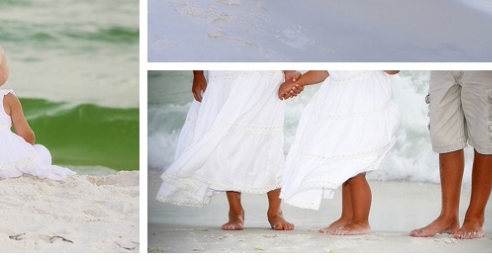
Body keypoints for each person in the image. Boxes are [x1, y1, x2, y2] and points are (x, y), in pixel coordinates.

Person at [156, 70, 299, 232]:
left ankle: (275, 211)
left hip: (264, 74)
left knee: (267, 137)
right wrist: (197, 74)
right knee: (225, 138)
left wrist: (289, 71)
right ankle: (235, 210)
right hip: (224, 75)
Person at [278, 70, 400, 235]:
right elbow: (326, 69)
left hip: (364, 105)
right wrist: (299, 82)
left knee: (356, 169)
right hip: (339, 104)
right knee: (345, 165)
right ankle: (347, 216)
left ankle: (360, 221)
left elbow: (394, 68)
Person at [410, 70, 492, 240]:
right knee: (445, 137)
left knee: (485, 137)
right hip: (443, 59)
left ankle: (474, 217)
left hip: (484, 61)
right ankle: (448, 217)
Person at [0, 31, 72, 180]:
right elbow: (26, 136)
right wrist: (25, 150)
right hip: (1, 166)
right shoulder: (7, 98)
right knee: (41, 152)